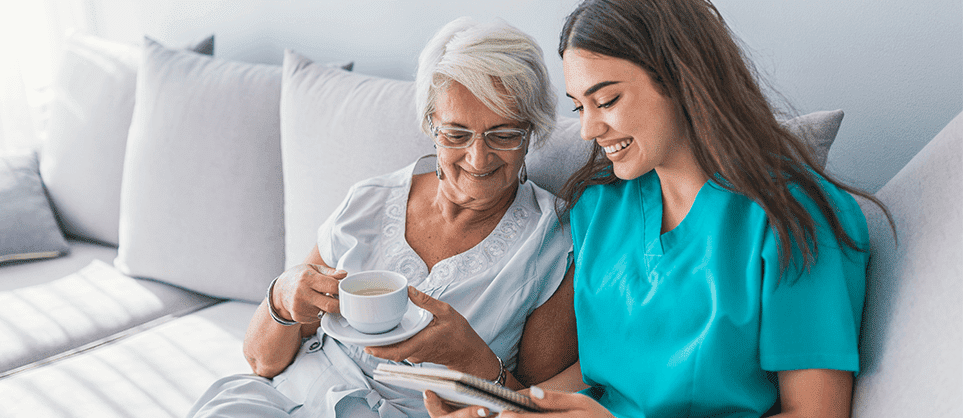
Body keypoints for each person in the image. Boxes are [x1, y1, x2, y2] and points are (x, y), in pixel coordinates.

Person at [426, 1, 893, 417]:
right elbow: (595, 374)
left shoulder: (794, 218)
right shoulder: (599, 208)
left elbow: (817, 411)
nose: (589, 130)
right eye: (579, 107)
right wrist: (508, 406)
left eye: (606, 100)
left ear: (682, 79)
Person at [188, 17, 577, 418]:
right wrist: (283, 297)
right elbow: (260, 364)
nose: (478, 159)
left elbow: (536, 411)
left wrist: (470, 358)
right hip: (291, 397)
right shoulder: (370, 202)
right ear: (431, 126)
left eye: (504, 134)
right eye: (456, 134)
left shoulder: (552, 243)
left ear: (531, 131)